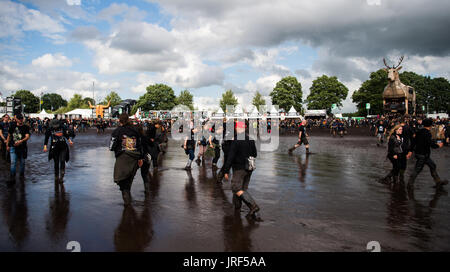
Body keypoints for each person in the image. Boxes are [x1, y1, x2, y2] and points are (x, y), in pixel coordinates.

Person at [223, 121, 260, 220]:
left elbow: (230, 157)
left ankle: (253, 206)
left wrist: (225, 170)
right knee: (242, 189)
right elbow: (255, 154)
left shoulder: (236, 140)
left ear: (237, 128)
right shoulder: (251, 139)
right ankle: (237, 209)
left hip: (239, 168)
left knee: (236, 188)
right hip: (249, 168)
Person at [110, 113, 144, 206]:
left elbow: (111, 146)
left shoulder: (117, 131)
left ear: (119, 120)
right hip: (135, 158)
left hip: (122, 158)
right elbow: (140, 145)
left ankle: (127, 207)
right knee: (129, 181)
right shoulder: (135, 131)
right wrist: (141, 158)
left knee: (122, 182)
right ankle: (128, 203)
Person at [407, 118, 448, 191]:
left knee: (432, 166)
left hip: (420, 154)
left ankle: (438, 182)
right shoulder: (427, 133)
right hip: (423, 154)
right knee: (417, 169)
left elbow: (413, 142)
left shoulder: (419, 131)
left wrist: (410, 151)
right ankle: (409, 184)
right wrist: (438, 145)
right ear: (430, 126)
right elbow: (429, 143)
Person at [43, 118, 74, 183]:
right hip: (54, 148)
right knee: (56, 163)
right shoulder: (50, 129)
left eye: (57, 125)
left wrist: (69, 141)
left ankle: (62, 176)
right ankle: (56, 176)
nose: (56, 127)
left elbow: (66, 135)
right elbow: (46, 137)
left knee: (62, 161)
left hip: (63, 147)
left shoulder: (62, 127)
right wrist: (45, 146)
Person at [6, 114, 30, 181]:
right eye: (19, 118)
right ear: (16, 119)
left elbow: (27, 136)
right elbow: (9, 136)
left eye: (21, 118)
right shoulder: (12, 126)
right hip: (13, 146)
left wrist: (21, 141)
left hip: (22, 147)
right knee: (13, 162)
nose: (20, 120)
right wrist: (7, 145)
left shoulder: (25, 127)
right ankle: (12, 177)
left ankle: (21, 175)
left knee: (22, 162)